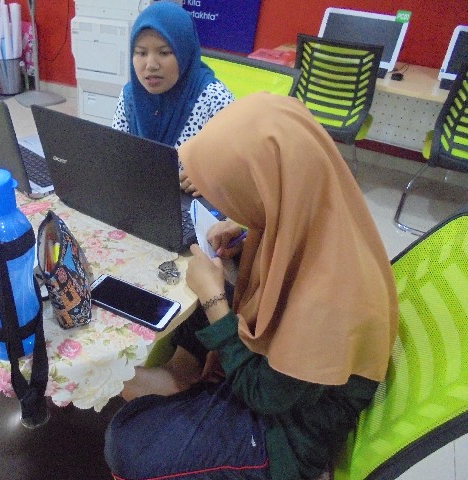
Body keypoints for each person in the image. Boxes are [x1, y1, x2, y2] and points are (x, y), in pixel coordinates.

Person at [104, 93, 399, 480]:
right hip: (289, 384)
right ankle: (183, 378)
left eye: (233, 197)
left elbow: (266, 395)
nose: (228, 208)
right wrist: (250, 242)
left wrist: (214, 301)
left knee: (128, 443)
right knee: (202, 303)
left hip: (286, 435)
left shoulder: (329, 298)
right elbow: (285, 277)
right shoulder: (316, 214)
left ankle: (182, 386)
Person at [111, 1, 234, 196]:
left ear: (184, 51)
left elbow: (240, 168)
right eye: (141, 53)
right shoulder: (130, 95)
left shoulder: (215, 99)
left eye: (164, 52)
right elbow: (116, 154)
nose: (151, 65)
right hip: (138, 199)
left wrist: (211, 177)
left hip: (193, 205)